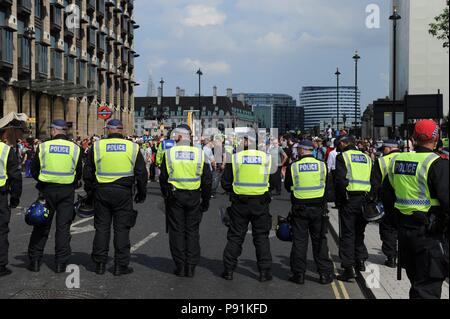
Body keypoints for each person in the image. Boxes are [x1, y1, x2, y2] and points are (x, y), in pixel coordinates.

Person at [382, 120, 449, 299]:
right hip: (430, 235)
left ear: (413, 138)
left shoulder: (397, 161)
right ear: (436, 138)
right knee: (427, 287)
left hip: (405, 233)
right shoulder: (438, 163)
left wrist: (397, 222)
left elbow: (387, 196)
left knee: (417, 284)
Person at [84, 119, 148, 276]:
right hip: (123, 193)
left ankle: (99, 264)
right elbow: (141, 173)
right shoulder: (133, 147)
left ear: (108, 130)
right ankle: (120, 265)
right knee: (122, 229)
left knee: (102, 228)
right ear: (122, 129)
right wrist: (141, 193)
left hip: (102, 191)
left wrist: (90, 192)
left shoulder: (97, 146)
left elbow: (88, 171)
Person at [28, 120, 82, 273]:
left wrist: (42, 180)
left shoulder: (43, 146)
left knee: (41, 224)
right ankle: (60, 263)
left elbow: (34, 169)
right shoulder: (75, 148)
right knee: (63, 228)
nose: (50, 130)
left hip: (46, 190)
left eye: (51, 128)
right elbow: (78, 172)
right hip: (66, 191)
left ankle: (35, 261)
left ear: (55, 130)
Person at [159, 124, 212, 278]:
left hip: (175, 197)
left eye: (175, 136)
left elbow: (163, 178)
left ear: (180, 137)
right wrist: (205, 201)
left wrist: (166, 195)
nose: (173, 138)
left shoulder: (169, 154)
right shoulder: (200, 154)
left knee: (176, 231)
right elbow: (207, 180)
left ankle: (180, 265)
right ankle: (191, 266)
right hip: (194, 196)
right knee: (192, 231)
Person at [221, 135, 273, 282]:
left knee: (236, 236)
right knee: (261, 237)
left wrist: (236, 190)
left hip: (239, 203)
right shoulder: (266, 158)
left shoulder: (236, 158)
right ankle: (264, 272)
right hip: (260, 202)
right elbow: (274, 182)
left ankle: (229, 270)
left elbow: (225, 182)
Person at [284, 140, 334, 285]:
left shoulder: (293, 167)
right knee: (320, 241)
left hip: (300, 209)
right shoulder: (322, 165)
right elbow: (327, 186)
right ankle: (324, 274)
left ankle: (299, 275)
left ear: (301, 150)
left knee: (300, 242)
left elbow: (288, 186)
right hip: (319, 209)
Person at [334, 135, 372, 282]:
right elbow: (372, 179)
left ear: (344, 143)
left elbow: (340, 181)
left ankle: (349, 268)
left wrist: (339, 201)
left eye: (340, 143)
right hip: (364, 199)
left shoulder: (343, 157)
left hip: (349, 199)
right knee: (359, 232)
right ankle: (361, 261)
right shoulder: (366, 157)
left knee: (348, 234)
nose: (339, 146)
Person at [370, 140, 401, 268]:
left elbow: (375, 183)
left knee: (388, 229)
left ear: (389, 148)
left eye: (384, 148)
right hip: (405, 199)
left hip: (387, 201)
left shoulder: (381, 161)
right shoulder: (407, 157)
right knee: (402, 229)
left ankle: (391, 257)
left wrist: (374, 199)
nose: (383, 151)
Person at [0, 139, 22, 277]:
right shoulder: (5, 150)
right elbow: (15, 176)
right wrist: (15, 198)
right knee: (1, 230)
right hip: (0, 195)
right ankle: (0, 265)